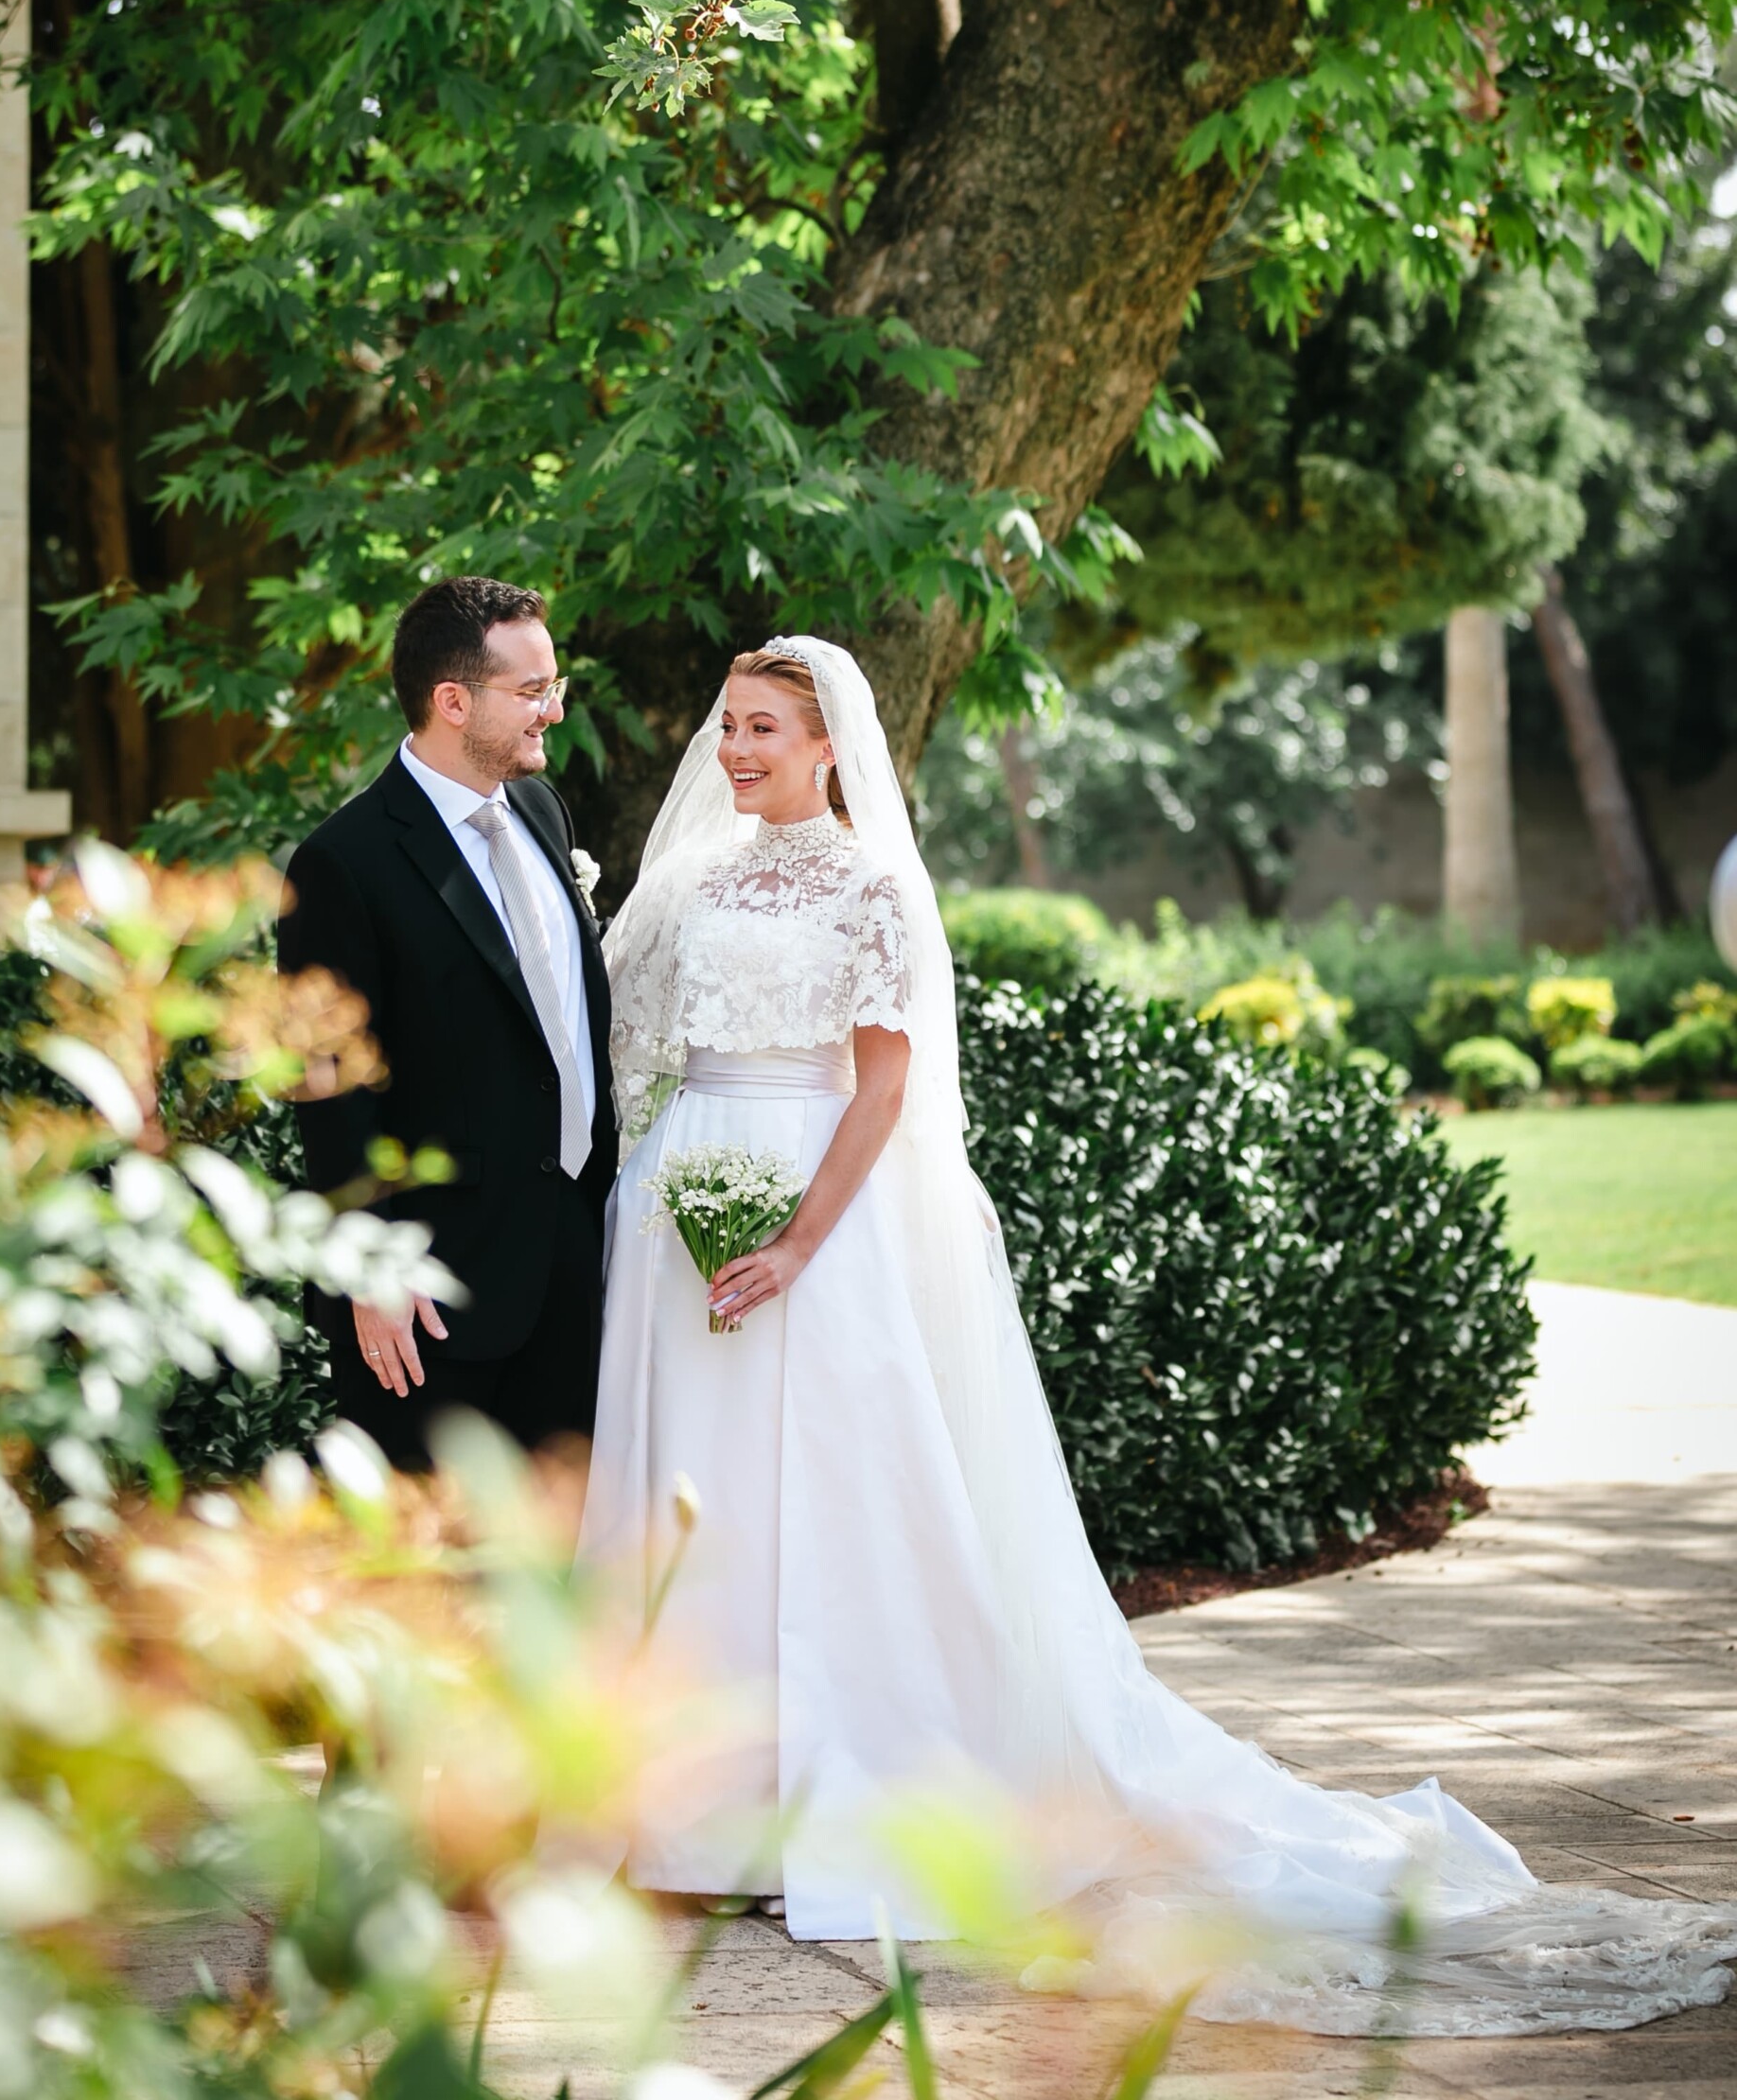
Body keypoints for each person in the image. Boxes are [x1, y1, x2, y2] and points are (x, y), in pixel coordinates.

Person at [580, 633, 1737, 2033]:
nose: (740, 747)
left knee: (839, 1508)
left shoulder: (877, 885)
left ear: (831, 747)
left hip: (826, 1216)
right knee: (700, 1508)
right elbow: (633, 1039)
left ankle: (850, 1805)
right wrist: (678, 1191)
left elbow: (883, 1089)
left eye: (766, 726)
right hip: (686, 1205)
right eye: (732, 724)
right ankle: (699, 1821)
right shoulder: (691, 881)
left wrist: (798, 1241)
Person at [279, 577, 615, 1463]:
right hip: (428, 1293)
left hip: (568, 1262)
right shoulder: (341, 865)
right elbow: (325, 1085)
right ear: (452, 701)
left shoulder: (542, 811)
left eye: (556, 686)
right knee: (428, 1580)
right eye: (532, 691)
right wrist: (370, 1270)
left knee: (548, 1570)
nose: (554, 711)